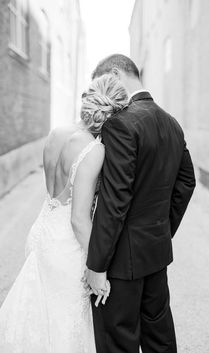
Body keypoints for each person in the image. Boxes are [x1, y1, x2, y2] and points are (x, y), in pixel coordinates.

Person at [0, 74, 129, 353]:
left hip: (42, 231)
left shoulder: (57, 132)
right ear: (112, 114)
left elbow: (54, 192)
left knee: (41, 318)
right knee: (63, 328)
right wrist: (99, 266)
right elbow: (79, 219)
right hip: (66, 246)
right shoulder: (94, 150)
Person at [85, 54, 196, 353]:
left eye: (105, 82)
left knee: (118, 341)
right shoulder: (171, 122)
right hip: (156, 253)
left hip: (122, 262)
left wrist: (96, 265)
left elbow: (115, 199)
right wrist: (161, 229)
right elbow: (187, 182)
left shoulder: (120, 124)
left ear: (117, 74)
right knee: (159, 337)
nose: (106, 93)